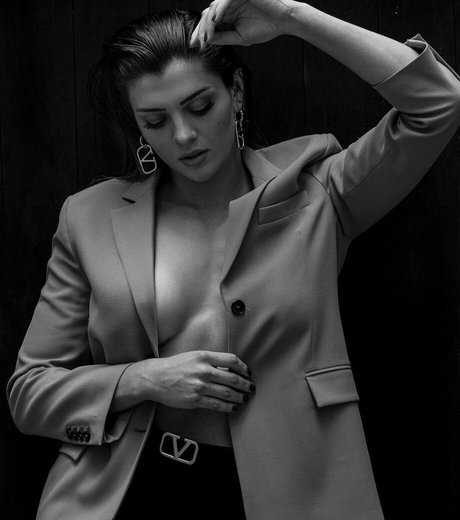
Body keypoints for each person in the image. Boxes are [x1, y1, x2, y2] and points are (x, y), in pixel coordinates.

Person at [6, 1, 460, 519]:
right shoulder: (88, 217)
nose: (182, 136)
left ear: (236, 92)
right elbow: (30, 392)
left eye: (200, 107)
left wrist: (291, 17)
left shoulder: (319, 190)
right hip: (125, 493)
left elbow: (439, 102)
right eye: (155, 121)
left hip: (291, 494)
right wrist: (143, 379)